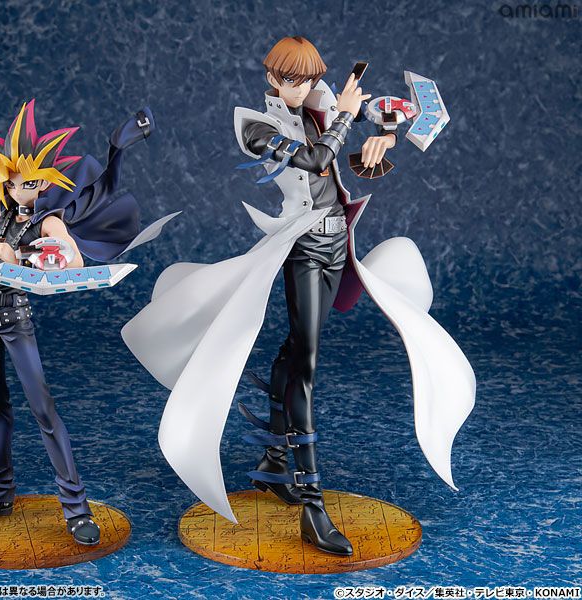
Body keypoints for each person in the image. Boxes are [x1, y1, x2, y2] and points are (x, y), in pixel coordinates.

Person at [121, 37, 475, 556]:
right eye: (290, 79)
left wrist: (386, 136)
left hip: (339, 242)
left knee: (297, 348)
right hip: (304, 248)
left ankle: (271, 461)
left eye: (308, 79)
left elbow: (395, 111)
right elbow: (315, 157)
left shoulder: (320, 102)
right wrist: (347, 118)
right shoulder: (256, 127)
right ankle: (312, 506)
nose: (301, 88)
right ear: (272, 78)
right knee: (305, 365)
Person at [0, 94, 168, 546]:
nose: (22, 190)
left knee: (43, 410)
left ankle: (76, 508)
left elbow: (71, 260)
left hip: (14, 319)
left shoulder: (48, 222)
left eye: (32, 183)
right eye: (16, 181)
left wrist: (19, 256)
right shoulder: (4, 210)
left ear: (45, 182)